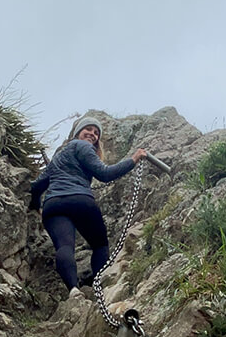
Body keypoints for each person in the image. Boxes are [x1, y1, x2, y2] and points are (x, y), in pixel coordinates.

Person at [29, 116, 147, 296]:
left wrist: (36, 205)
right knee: (100, 245)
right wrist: (133, 159)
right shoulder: (83, 146)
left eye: (96, 132)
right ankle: (99, 288)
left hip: (53, 205)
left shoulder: (58, 157)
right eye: (89, 129)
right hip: (80, 200)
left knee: (64, 247)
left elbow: (37, 186)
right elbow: (105, 174)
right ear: (78, 133)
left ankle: (74, 289)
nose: (92, 134)